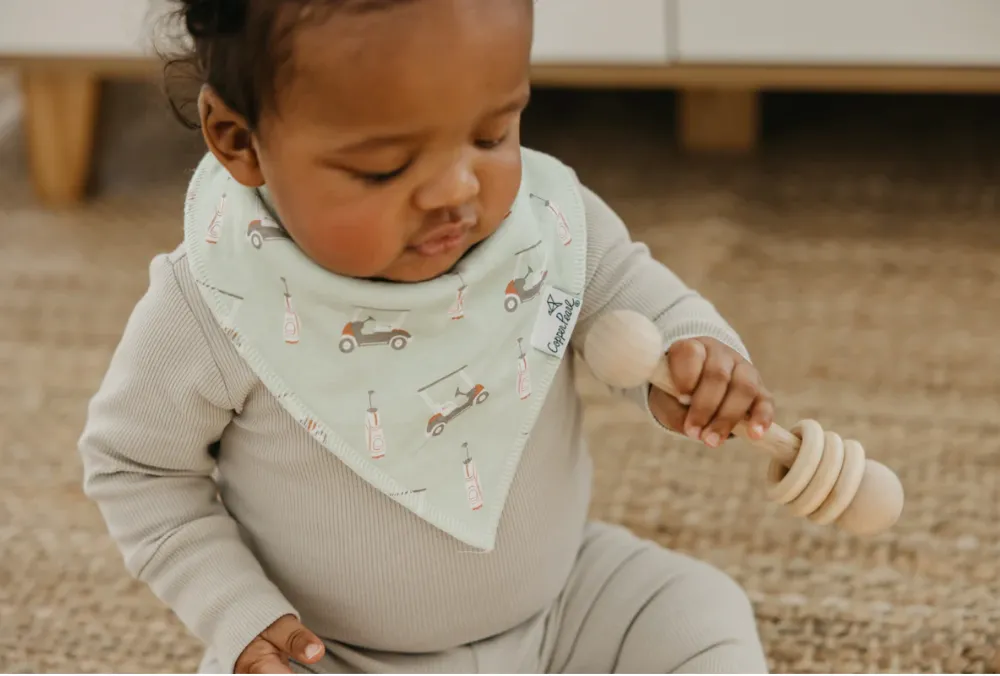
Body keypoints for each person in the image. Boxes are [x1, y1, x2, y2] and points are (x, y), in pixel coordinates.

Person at [78, 0, 777, 673]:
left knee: (701, 614)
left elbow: (621, 294)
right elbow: (138, 470)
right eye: (384, 167)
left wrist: (694, 353)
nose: (456, 190)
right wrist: (237, 612)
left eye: (491, 135)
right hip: (333, 651)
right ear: (239, 141)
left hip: (562, 607)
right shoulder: (216, 301)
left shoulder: (541, 225)